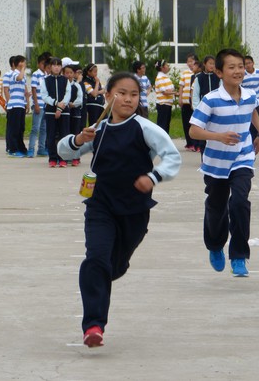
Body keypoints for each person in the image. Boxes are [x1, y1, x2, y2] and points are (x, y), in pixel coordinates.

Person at [57, 72, 181, 348]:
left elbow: (172, 157)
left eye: (134, 95)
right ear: (108, 95)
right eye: (121, 93)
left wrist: (153, 177)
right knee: (96, 260)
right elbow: (65, 152)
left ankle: (110, 270)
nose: (127, 99)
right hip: (100, 206)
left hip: (134, 210)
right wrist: (78, 139)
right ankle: (93, 325)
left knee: (113, 267)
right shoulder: (97, 129)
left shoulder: (145, 128)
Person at [189, 48, 259, 277]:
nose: (238, 71)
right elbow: (193, 130)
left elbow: (252, 111)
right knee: (217, 207)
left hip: (243, 157)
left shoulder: (250, 94)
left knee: (240, 203)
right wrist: (218, 137)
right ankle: (215, 245)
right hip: (216, 163)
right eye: (231, 67)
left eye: (241, 66)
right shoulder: (211, 99)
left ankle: (239, 255)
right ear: (220, 72)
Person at [42, 57, 71, 167]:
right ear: (50, 67)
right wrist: (55, 103)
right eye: (54, 65)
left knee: (64, 136)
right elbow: (44, 96)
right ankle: (52, 158)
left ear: (61, 67)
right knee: (51, 135)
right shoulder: (45, 80)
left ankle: (62, 159)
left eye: (58, 65)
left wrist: (60, 107)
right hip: (50, 112)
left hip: (64, 112)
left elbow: (67, 95)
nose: (56, 67)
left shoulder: (65, 80)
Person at [5, 55, 29, 157]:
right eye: (23, 62)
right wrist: (22, 69)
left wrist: (27, 102)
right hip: (14, 105)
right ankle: (12, 149)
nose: (25, 64)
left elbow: (24, 90)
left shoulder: (22, 75)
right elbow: (19, 78)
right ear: (19, 63)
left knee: (20, 128)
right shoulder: (14, 74)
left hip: (21, 104)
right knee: (14, 129)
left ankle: (21, 148)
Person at [28, 54, 49, 158]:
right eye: (42, 63)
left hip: (46, 105)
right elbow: (33, 89)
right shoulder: (36, 74)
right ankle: (31, 149)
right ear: (38, 64)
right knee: (35, 128)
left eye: (45, 64)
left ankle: (41, 149)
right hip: (38, 105)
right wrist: (36, 104)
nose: (43, 65)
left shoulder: (46, 75)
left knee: (44, 129)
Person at [65, 63, 83, 166]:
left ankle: (76, 157)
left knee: (75, 136)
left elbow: (80, 99)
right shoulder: (62, 85)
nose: (69, 75)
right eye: (66, 73)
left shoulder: (77, 86)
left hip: (75, 113)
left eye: (71, 73)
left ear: (74, 74)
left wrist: (73, 104)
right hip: (65, 114)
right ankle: (67, 156)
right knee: (66, 135)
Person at [179, 53, 198, 151]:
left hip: (194, 103)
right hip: (186, 102)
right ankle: (189, 143)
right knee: (186, 123)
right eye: (188, 61)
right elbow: (181, 86)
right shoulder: (185, 73)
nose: (189, 63)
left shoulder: (197, 73)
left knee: (194, 123)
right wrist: (180, 98)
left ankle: (196, 143)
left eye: (191, 61)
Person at [154, 59, 175, 134]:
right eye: (166, 65)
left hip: (168, 103)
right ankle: (160, 139)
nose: (168, 66)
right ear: (162, 67)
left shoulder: (166, 77)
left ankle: (165, 138)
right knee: (162, 125)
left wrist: (170, 91)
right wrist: (175, 93)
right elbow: (164, 92)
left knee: (166, 124)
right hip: (162, 104)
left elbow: (171, 89)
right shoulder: (159, 77)